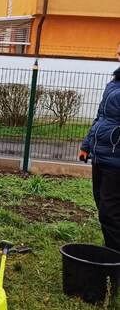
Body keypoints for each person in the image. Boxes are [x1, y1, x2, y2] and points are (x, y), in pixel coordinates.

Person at [80, 42, 120, 251]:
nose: (117, 54)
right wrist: (86, 145)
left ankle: (114, 259)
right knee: (102, 204)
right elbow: (101, 117)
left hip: (116, 159)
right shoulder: (114, 83)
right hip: (101, 154)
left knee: (109, 211)